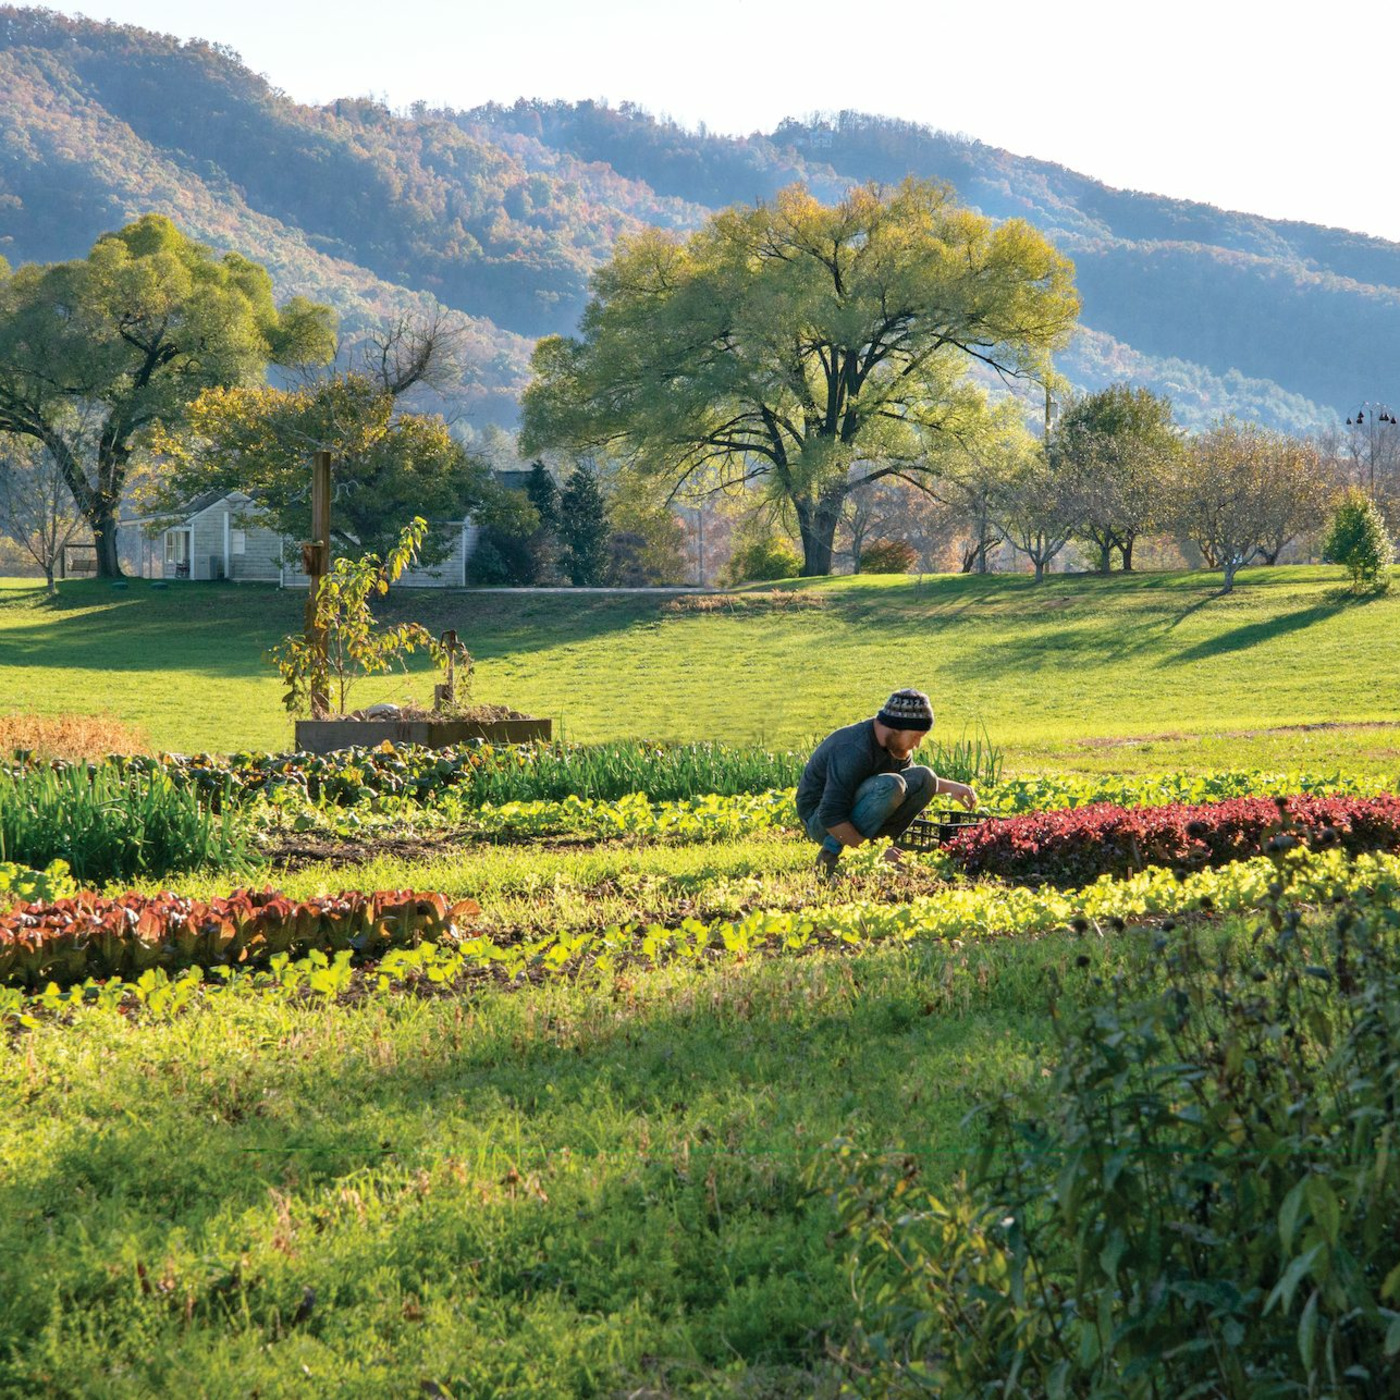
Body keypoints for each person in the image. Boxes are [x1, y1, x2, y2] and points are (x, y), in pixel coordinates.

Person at [796, 688, 977, 880]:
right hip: (819, 820)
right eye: (915, 736)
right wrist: (874, 851)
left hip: (848, 809)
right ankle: (830, 858)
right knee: (892, 785)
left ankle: (881, 847)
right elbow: (830, 814)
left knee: (925, 778)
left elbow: (912, 781)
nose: (917, 745)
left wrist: (952, 788)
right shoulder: (854, 748)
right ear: (896, 727)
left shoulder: (896, 745)